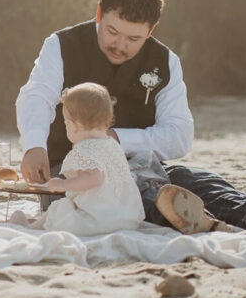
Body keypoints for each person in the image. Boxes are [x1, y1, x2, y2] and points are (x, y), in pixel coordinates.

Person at [16, 0, 246, 233]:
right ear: (99, 15)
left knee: (196, 180)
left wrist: (116, 139)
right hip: (70, 168)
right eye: (112, 32)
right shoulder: (61, 44)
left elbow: (179, 136)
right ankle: (206, 224)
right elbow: (37, 96)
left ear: (150, 31)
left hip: (143, 163)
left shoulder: (166, 62)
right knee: (124, 189)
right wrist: (34, 145)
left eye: (133, 38)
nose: (120, 45)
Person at [11, 83, 145, 235]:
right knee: (64, 207)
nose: (67, 128)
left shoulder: (84, 149)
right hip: (127, 218)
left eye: (66, 124)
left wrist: (63, 184)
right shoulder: (112, 144)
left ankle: (29, 229)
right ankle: (32, 227)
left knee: (60, 208)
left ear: (74, 126)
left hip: (98, 219)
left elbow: (94, 178)